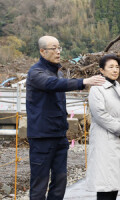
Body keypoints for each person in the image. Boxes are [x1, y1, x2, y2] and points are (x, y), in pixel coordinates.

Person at [26, 35, 105, 200]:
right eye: (53, 48)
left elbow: (60, 86)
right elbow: (52, 85)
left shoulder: (59, 74)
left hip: (60, 136)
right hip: (42, 138)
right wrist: (84, 81)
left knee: (60, 180)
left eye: (59, 47)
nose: (58, 52)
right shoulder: (36, 73)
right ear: (42, 51)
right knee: (40, 183)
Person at [86, 54, 120, 200]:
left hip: (119, 140)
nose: (115, 70)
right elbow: (100, 114)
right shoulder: (97, 89)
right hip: (104, 140)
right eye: (111, 67)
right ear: (102, 70)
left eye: (117, 67)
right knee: (105, 184)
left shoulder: (119, 88)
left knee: (114, 184)